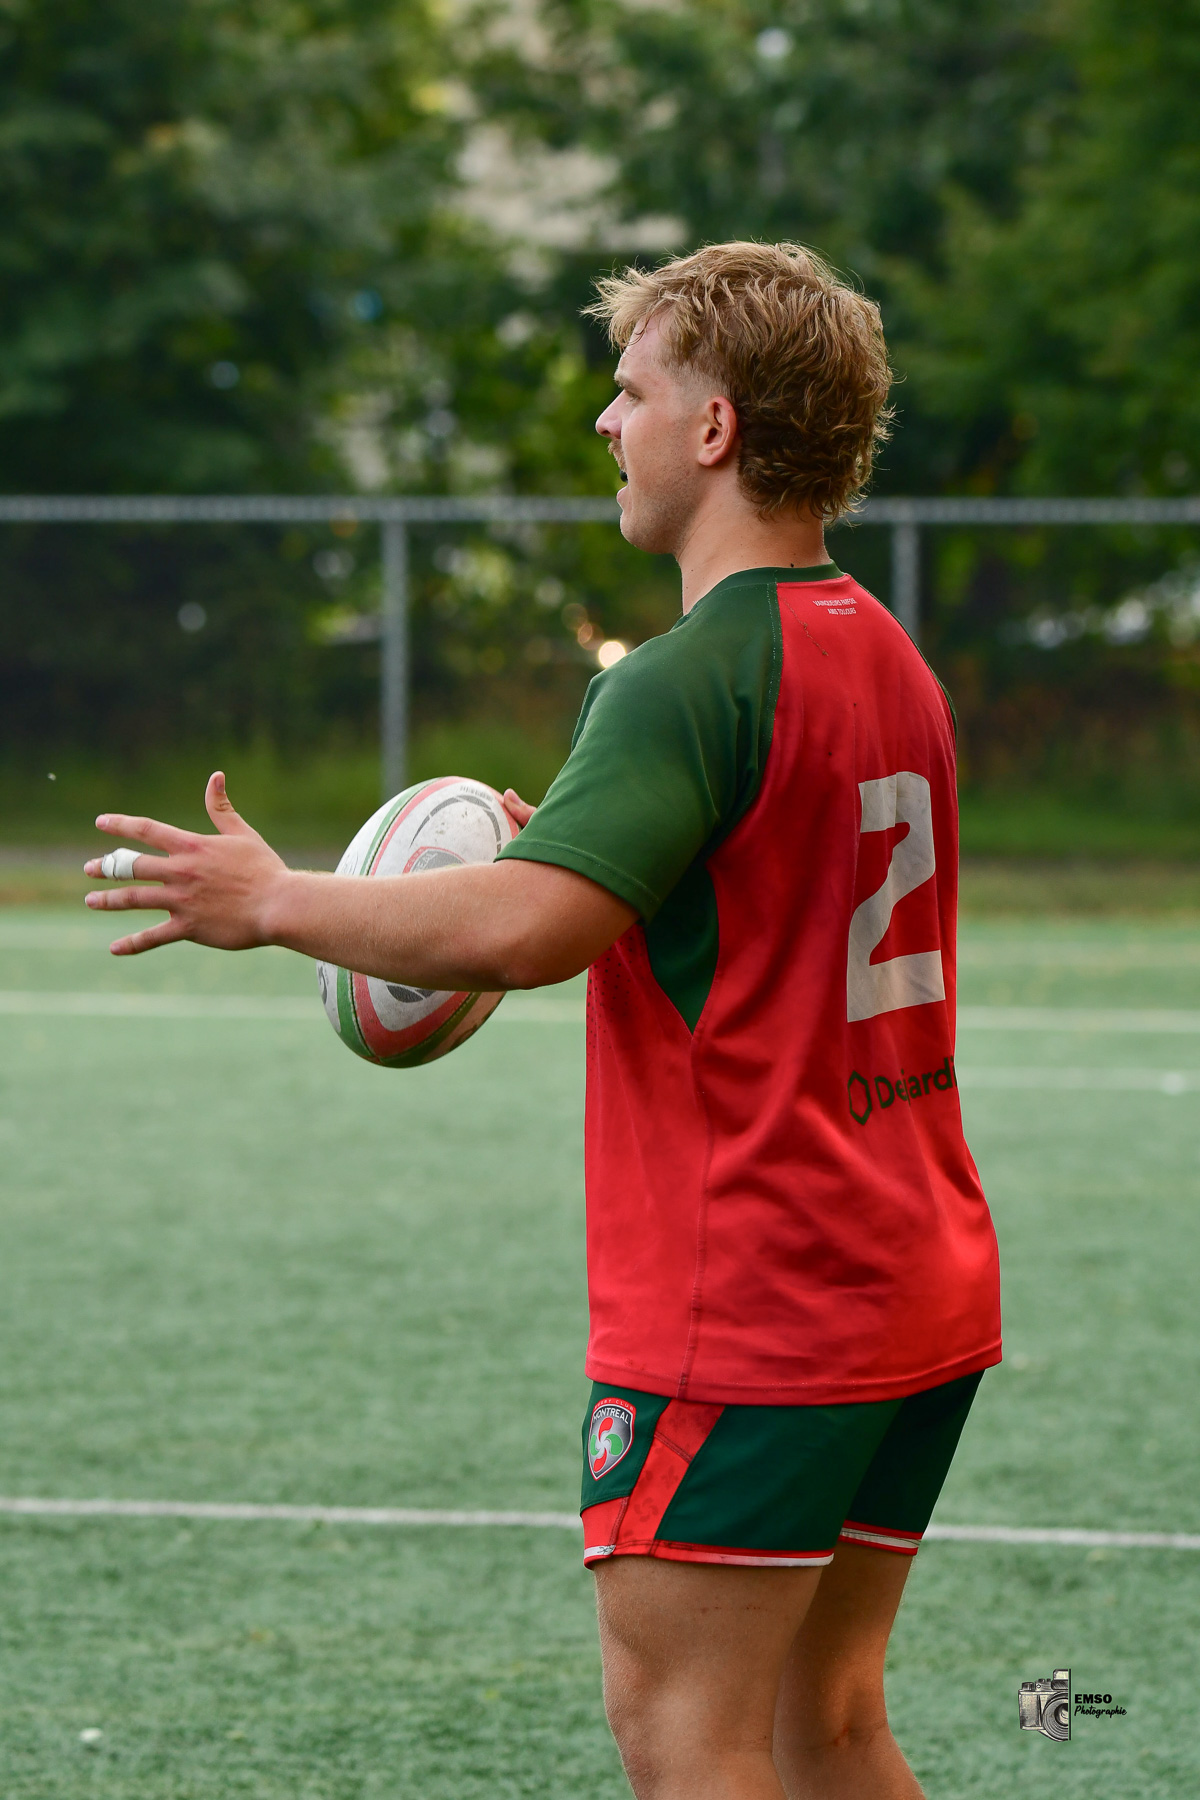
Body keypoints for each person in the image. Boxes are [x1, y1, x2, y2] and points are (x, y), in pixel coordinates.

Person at [85, 241, 1001, 1800]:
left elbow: (525, 931)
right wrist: (593, 846)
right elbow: (736, 889)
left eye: (631, 390)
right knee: (826, 1726)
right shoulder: (885, 652)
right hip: (913, 1275)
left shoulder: (683, 677)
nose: (606, 423)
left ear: (712, 428)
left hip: (755, 1299)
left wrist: (274, 897)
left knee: (689, 1736)